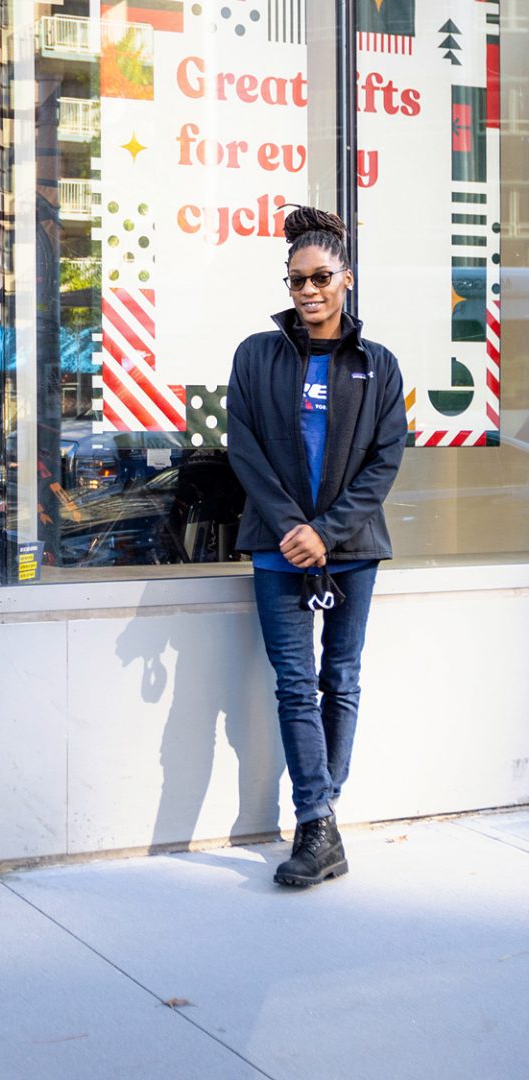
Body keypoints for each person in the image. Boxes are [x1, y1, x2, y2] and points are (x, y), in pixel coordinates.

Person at [226, 205, 406, 888]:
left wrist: (324, 532)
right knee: (296, 686)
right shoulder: (256, 355)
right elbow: (244, 450)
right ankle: (318, 822)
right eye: (296, 280)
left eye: (320, 277)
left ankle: (319, 819)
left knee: (342, 680)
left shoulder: (377, 366)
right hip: (277, 550)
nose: (307, 291)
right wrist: (291, 529)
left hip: (352, 548)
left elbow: (385, 463)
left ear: (345, 279)